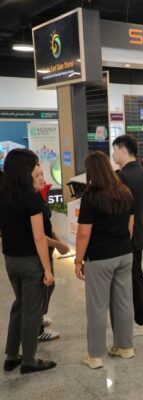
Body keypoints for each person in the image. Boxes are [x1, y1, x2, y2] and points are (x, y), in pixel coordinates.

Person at [75, 151, 135, 368]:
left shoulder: (91, 197)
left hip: (100, 257)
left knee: (97, 307)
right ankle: (125, 347)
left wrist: (78, 260)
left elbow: (84, 233)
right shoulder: (125, 192)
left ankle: (95, 355)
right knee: (123, 302)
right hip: (125, 254)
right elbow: (130, 226)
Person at [0, 148, 56, 374]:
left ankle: (11, 356)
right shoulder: (31, 198)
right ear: (25, 169)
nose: (37, 168)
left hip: (10, 259)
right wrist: (47, 270)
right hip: (30, 262)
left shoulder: (4, 195)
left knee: (19, 306)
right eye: (34, 164)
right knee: (32, 310)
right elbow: (39, 237)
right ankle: (30, 360)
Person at [112, 134, 143, 336]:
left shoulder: (124, 176)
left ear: (123, 150)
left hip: (128, 232)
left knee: (133, 277)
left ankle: (140, 321)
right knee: (137, 275)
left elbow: (124, 210)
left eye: (114, 150)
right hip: (139, 231)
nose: (113, 155)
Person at [33, 167, 70, 341]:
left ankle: (39, 319)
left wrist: (58, 240)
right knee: (43, 288)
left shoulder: (38, 198)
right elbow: (38, 235)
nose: (42, 178)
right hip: (39, 253)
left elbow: (48, 223)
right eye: (37, 175)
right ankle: (38, 329)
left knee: (48, 287)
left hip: (48, 250)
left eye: (42, 174)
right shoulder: (30, 200)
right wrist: (59, 245)